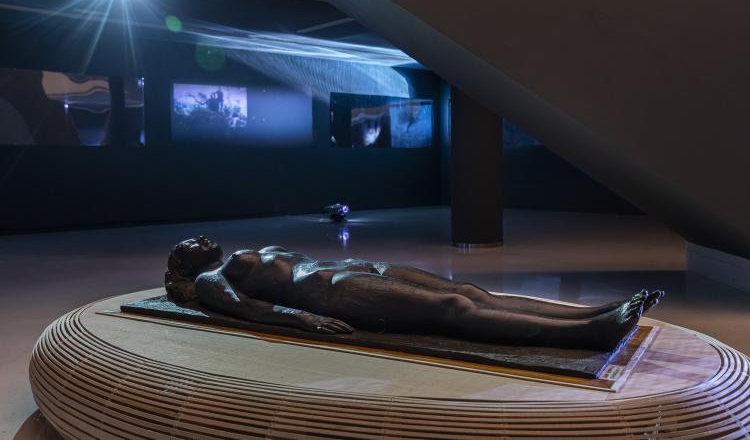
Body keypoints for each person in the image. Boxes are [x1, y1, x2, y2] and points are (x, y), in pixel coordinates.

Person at [165, 237, 664, 351]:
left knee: (469, 289)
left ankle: (592, 313)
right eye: (187, 244)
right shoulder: (210, 280)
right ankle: (588, 334)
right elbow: (250, 310)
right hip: (335, 291)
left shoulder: (239, 256)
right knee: (454, 307)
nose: (198, 239)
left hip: (357, 268)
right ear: (186, 265)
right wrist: (302, 320)